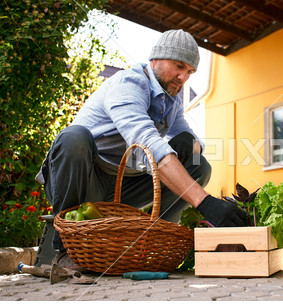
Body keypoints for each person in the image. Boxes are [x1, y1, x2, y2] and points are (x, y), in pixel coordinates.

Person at [36, 29, 247, 265]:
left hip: (123, 187)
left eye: (189, 71)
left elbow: (193, 145)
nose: (183, 77)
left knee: (200, 167)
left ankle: (156, 245)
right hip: (83, 181)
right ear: (155, 59)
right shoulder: (129, 84)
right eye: (178, 66)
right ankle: (65, 248)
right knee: (74, 138)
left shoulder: (171, 100)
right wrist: (206, 203)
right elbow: (145, 140)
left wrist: (189, 145)